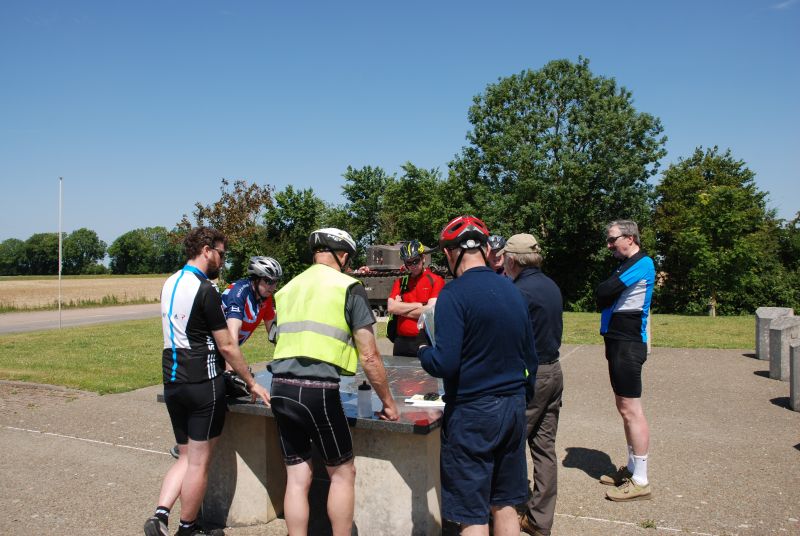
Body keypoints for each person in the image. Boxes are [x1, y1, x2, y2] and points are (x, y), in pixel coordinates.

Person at [268, 227, 399, 536]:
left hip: (281, 388)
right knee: (342, 473)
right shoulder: (347, 287)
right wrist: (389, 403)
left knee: (298, 477)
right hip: (318, 392)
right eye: (349, 259)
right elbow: (369, 356)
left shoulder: (288, 288)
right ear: (342, 256)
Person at [145, 227, 270, 536]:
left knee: (185, 455)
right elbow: (227, 345)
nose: (222, 260)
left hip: (172, 378)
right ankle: (188, 528)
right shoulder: (206, 289)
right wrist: (251, 382)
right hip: (203, 380)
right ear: (205, 250)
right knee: (199, 463)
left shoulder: (170, 282)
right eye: (221, 253)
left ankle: (160, 514)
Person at [418, 216, 537, 536]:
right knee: (506, 503)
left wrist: (423, 351)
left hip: (472, 412)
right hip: (512, 408)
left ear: (449, 254)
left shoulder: (453, 295)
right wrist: (522, 394)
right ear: (486, 249)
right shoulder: (513, 290)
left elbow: (445, 363)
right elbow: (531, 357)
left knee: (473, 513)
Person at [500, 234, 564, 536]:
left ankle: (502, 516)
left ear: (512, 260)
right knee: (544, 448)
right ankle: (540, 521)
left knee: (508, 447)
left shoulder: (518, 291)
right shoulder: (550, 285)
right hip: (554, 370)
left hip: (531, 376)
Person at [595, 220, 655, 502]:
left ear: (630, 238)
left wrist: (605, 292)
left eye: (612, 240)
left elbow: (604, 292)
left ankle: (641, 480)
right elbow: (603, 293)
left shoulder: (642, 263)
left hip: (628, 344)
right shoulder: (624, 264)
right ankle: (631, 469)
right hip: (617, 341)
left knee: (631, 409)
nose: (609, 245)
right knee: (623, 407)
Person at [386, 240, 445, 357]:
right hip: (400, 342)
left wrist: (401, 310)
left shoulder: (436, 280)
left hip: (423, 341)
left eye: (416, 261)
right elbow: (391, 307)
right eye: (409, 262)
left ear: (423, 258)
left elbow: (430, 312)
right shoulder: (401, 282)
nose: (413, 265)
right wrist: (418, 306)